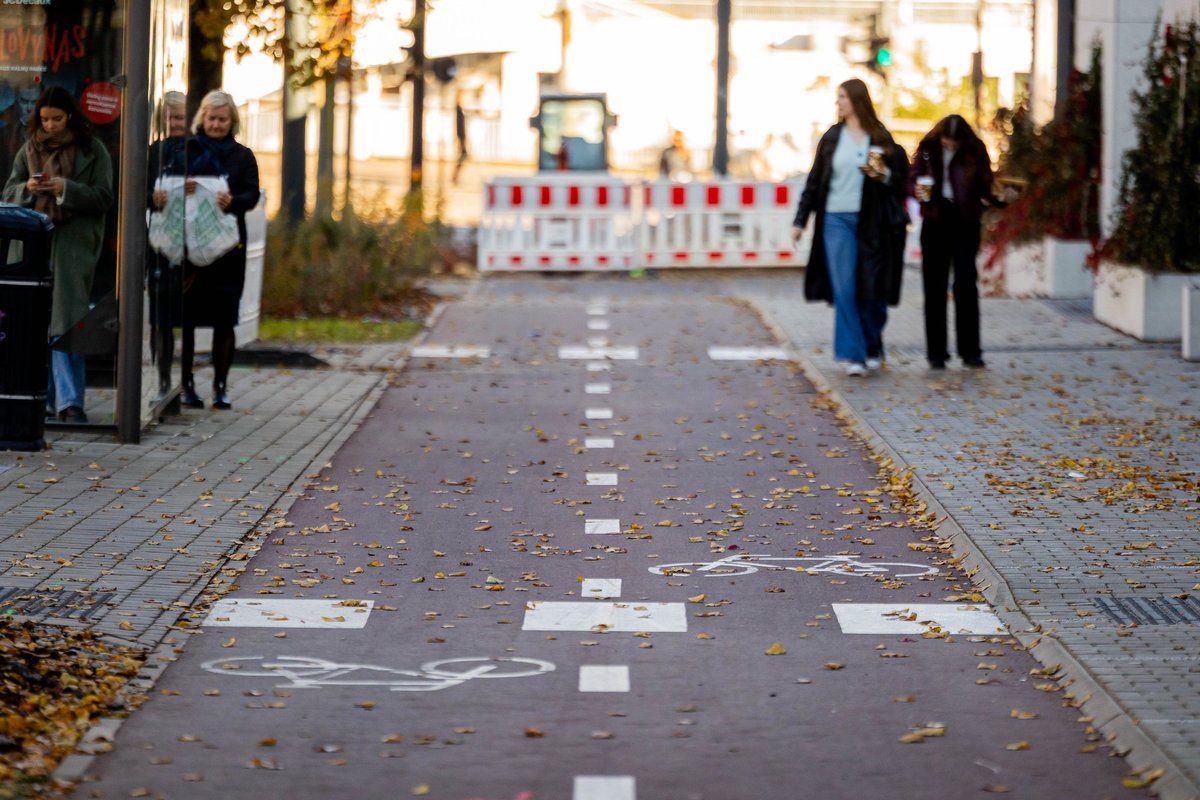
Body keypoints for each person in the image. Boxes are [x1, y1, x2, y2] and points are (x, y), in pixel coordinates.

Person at [2, 86, 113, 423]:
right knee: (34, 323)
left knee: (66, 325)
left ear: (70, 117)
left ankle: (69, 402)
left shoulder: (92, 150)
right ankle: (45, 400)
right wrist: (29, 189)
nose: (50, 126)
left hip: (73, 247)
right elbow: (8, 193)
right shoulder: (29, 147)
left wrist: (66, 189)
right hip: (33, 247)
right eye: (45, 119)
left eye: (57, 119)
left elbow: (104, 197)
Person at [792, 78, 907, 376]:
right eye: (837, 98)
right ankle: (854, 355)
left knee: (872, 290)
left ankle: (872, 344)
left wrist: (882, 175)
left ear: (857, 100)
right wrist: (800, 221)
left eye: (842, 97)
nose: (838, 103)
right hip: (835, 220)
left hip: (871, 221)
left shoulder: (880, 137)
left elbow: (898, 180)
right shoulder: (831, 138)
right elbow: (815, 180)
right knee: (845, 288)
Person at [179, 89, 260, 410]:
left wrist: (233, 201)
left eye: (222, 119)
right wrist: (179, 188)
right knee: (187, 318)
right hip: (191, 248)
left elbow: (252, 196)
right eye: (211, 118)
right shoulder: (185, 150)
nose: (216, 124)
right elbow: (163, 189)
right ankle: (186, 385)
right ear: (202, 117)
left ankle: (221, 386)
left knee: (225, 319)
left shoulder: (243, 156)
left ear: (232, 121)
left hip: (228, 249)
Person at [908, 114, 1002, 370]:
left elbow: (987, 187)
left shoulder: (974, 151)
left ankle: (971, 351)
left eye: (954, 144)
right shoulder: (928, 149)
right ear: (940, 136)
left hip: (965, 221)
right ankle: (936, 353)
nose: (950, 147)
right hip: (935, 220)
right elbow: (912, 178)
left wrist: (998, 199)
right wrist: (916, 189)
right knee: (934, 288)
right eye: (947, 142)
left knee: (965, 285)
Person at [147, 91, 189, 402]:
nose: (177, 123)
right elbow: (137, 190)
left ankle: (183, 380)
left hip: (190, 244)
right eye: (172, 118)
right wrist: (152, 197)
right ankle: (160, 377)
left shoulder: (198, 152)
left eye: (182, 117)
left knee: (181, 317)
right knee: (159, 317)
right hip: (158, 244)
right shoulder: (152, 153)